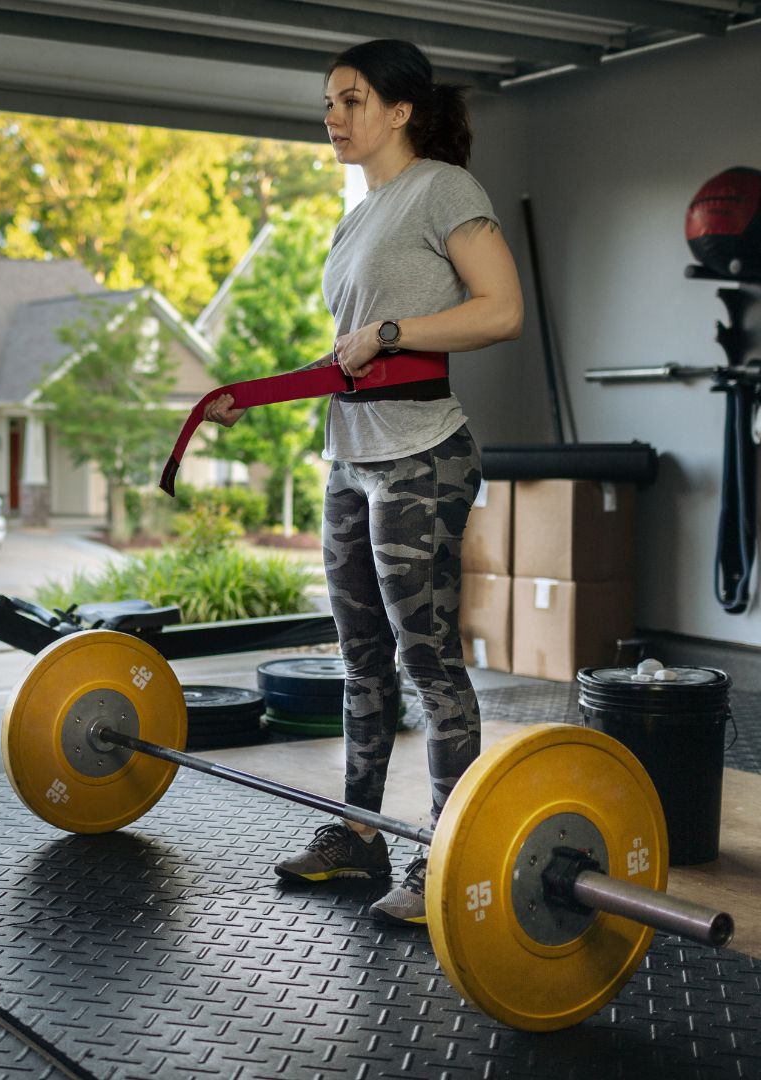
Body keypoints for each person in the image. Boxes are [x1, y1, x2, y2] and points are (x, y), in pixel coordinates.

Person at [204, 38, 523, 924]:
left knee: (428, 663)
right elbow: (353, 353)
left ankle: (447, 856)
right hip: (352, 457)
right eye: (330, 103)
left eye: (350, 100)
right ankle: (357, 835)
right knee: (360, 661)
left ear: (400, 109)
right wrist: (256, 397)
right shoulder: (361, 214)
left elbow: (500, 311)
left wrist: (389, 328)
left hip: (423, 452)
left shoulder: (444, 188)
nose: (333, 116)